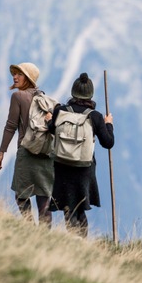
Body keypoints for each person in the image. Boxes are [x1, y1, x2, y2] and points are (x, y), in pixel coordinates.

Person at [47, 72, 114, 237]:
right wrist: (108, 124)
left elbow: (51, 130)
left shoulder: (61, 111)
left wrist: (49, 119)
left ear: (73, 92)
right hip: (84, 168)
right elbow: (108, 143)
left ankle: (73, 240)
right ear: (90, 94)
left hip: (62, 165)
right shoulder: (95, 117)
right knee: (79, 207)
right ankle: (81, 241)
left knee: (67, 207)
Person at [0, 62, 54, 227]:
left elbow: (11, 126)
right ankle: (46, 238)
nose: (15, 77)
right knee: (44, 196)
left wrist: (1, 153)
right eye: (14, 74)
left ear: (28, 78)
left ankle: (29, 228)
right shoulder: (43, 97)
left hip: (27, 152)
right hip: (46, 154)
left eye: (20, 74)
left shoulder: (18, 97)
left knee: (21, 195)